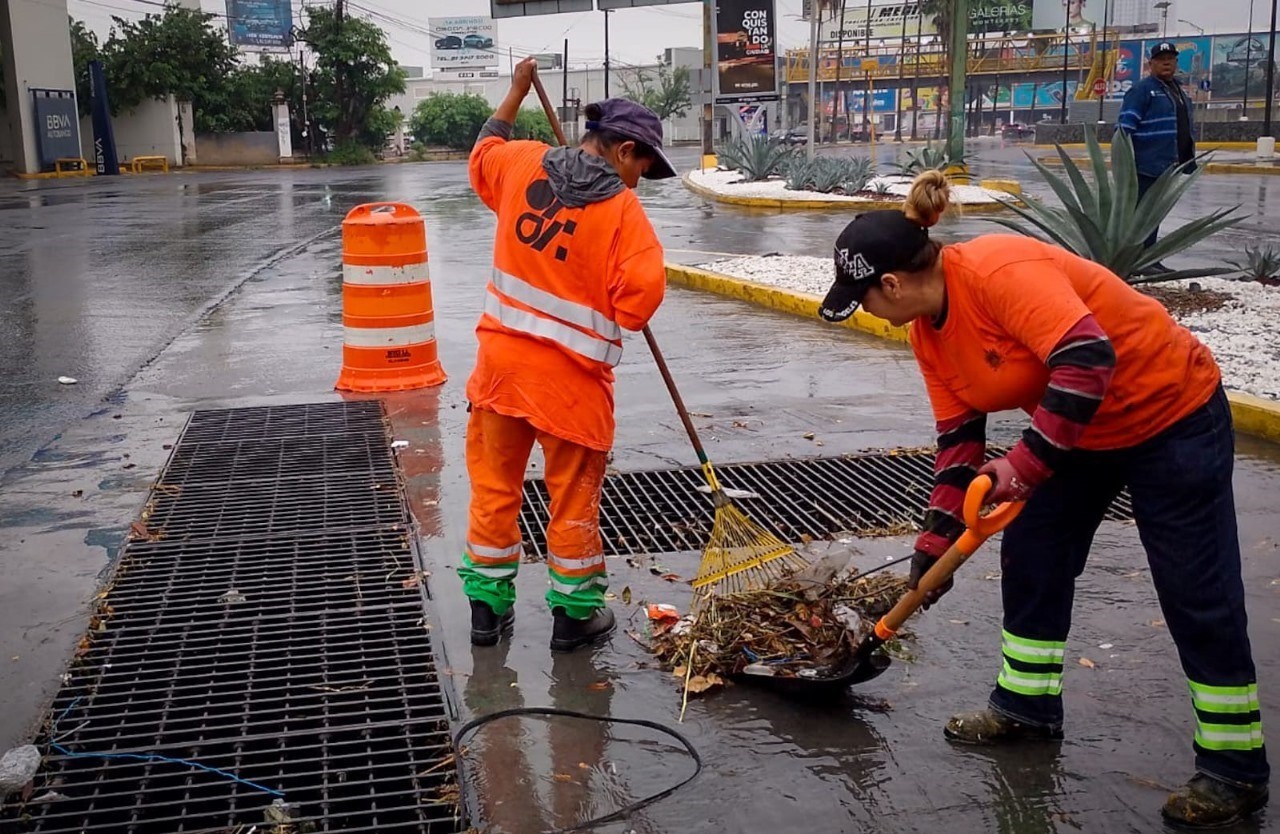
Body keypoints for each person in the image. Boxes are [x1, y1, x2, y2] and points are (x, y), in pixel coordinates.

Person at [817, 171, 1268, 828]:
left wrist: (1025, 467)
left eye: (862, 300)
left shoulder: (1000, 270)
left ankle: (1235, 768)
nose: (865, 311)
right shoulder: (926, 332)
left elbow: (1088, 358)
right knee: (1033, 558)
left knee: (1196, 589)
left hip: (1172, 414)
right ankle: (1026, 709)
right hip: (1079, 432)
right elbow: (958, 439)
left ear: (892, 285)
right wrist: (934, 545)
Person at [464, 58, 674, 652]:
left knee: (494, 490)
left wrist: (511, 94)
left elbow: (483, 152)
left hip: (500, 376)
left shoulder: (521, 161)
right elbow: (639, 301)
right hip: (572, 388)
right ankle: (575, 616)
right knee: (573, 503)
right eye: (643, 167)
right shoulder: (624, 215)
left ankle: (486, 611)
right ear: (623, 150)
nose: (640, 181)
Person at [1117, 41, 1196, 274]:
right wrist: (1124, 161)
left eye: (1170, 59)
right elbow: (1124, 127)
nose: (1166, 63)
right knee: (1142, 214)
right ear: (1150, 63)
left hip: (1170, 163)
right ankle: (1138, 260)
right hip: (1146, 164)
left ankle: (1150, 259)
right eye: (1161, 59)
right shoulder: (1142, 90)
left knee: (1155, 213)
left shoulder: (1177, 89)